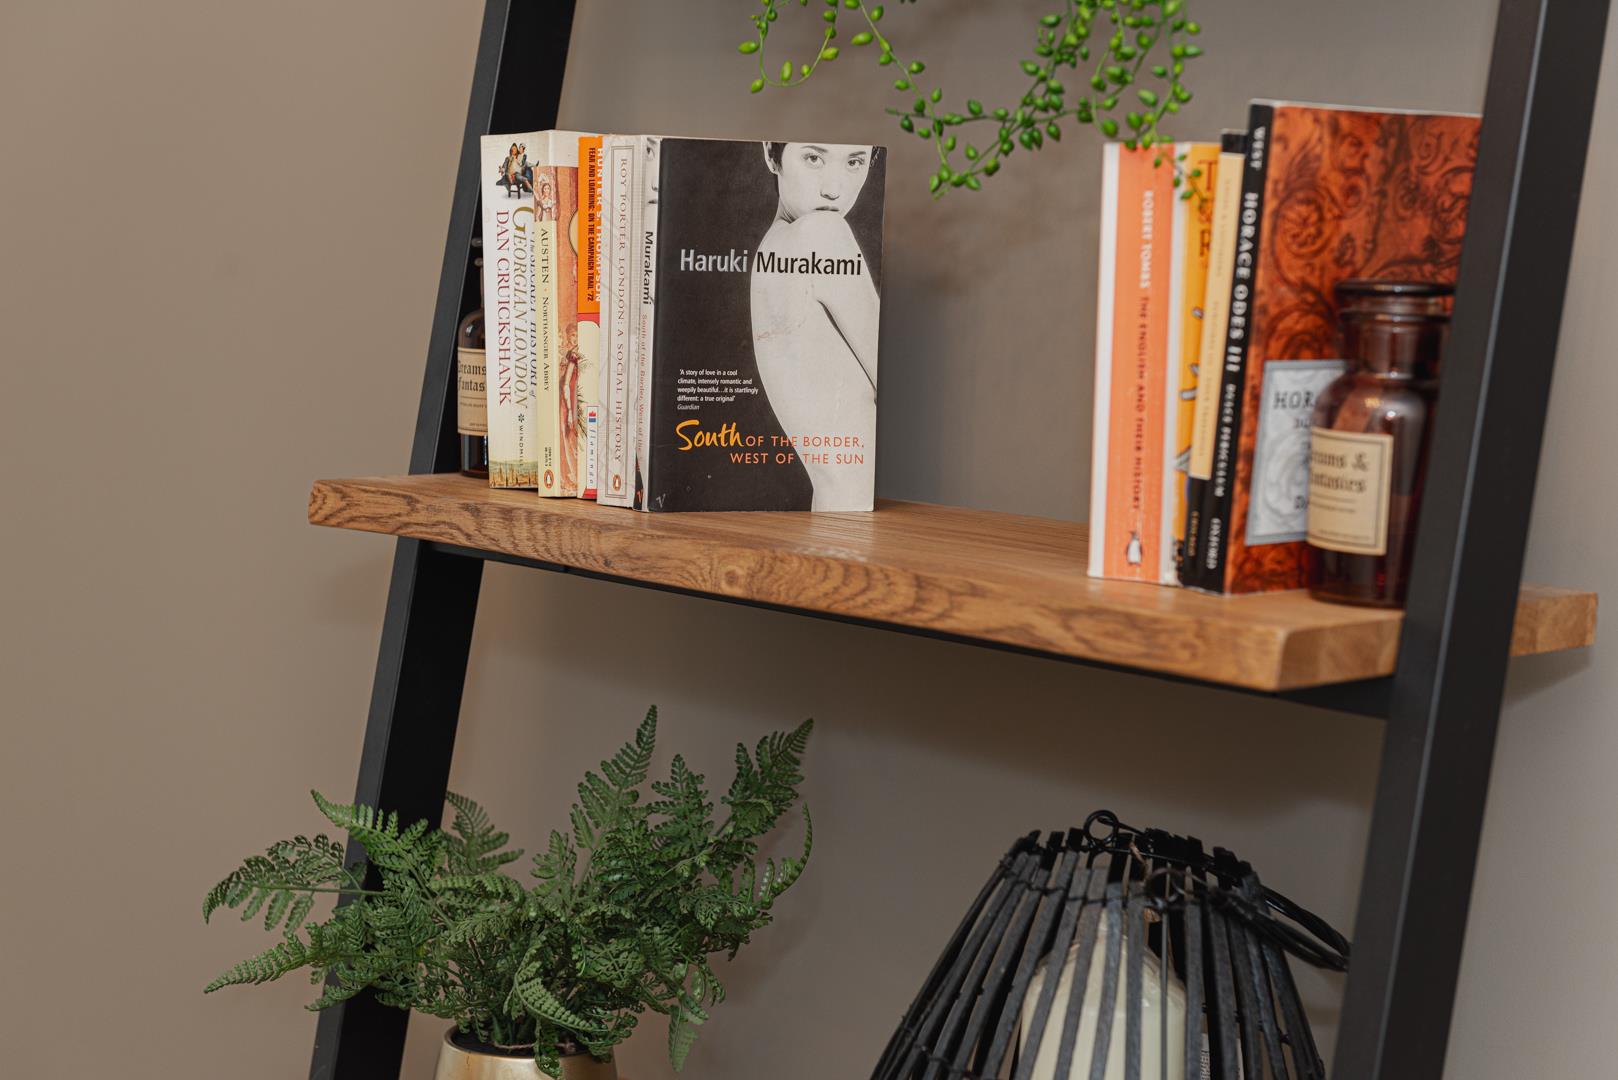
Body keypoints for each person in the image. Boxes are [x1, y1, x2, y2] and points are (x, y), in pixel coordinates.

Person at [750, 142, 880, 510]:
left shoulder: (772, 250)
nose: (833, 189)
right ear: (771, 155)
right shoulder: (822, 233)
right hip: (855, 510)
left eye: (854, 162)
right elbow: (898, 383)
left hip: (834, 506)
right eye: (814, 158)